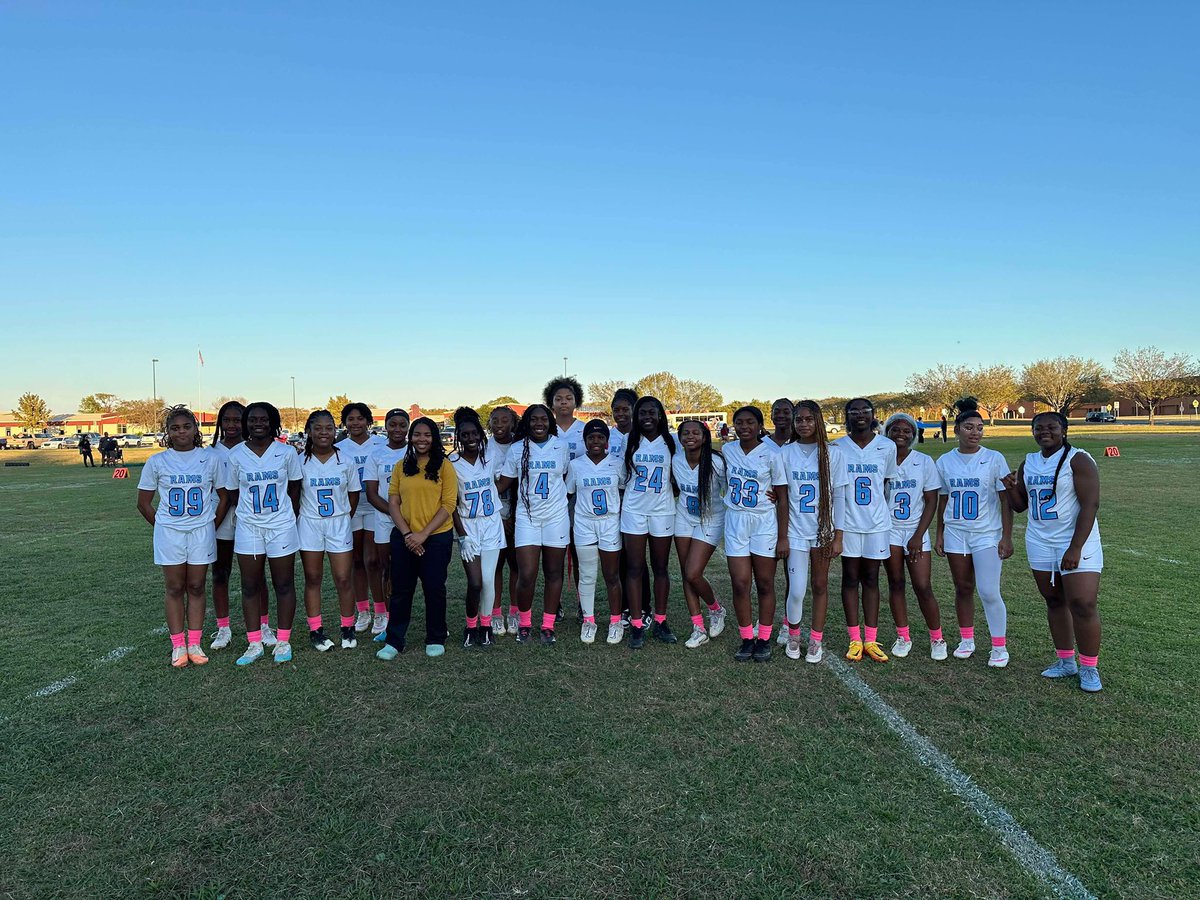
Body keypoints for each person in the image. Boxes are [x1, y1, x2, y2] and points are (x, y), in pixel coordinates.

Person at [1001, 412, 1104, 691]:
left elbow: (1090, 505)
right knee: (1054, 600)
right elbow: (1021, 505)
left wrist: (1075, 547)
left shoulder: (1078, 459)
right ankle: (1066, 661)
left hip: (1075, 541)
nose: (1044, 431)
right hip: (1040, 540)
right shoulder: (1030, 462)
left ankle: (1090, 668)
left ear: (1064, 429)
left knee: (1082, 603)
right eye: (1038, 428)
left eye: (1051, 427)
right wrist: (1011, 489)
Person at [136, 406, 227, 667]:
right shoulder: (157, 461)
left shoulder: (210, 459)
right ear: (168, 432)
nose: (181, 432)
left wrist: (211, 524)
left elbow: (224, 497)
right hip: (170, 532)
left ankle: (195, 642)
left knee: (197, 586)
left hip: (201, 531)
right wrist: (163, 527)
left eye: (186, 426)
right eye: (175, 428)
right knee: (175, 587)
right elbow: (143, 503)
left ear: (195, 428)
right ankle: (178, 645)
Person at [935, 398, 1014, 668]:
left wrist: (1006, 536)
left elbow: (1005, 500)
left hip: (986, 533)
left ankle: (999, 646)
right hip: (956, 532)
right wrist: (940, 533)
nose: (975, 432)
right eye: (969, 427)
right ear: (957, 429)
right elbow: (943, 500)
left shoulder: (994, 458)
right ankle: (967, 640)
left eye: (979, 428)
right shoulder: (945, 461)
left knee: (989, 591)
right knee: (963, 588)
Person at [224, 402, 303, 666]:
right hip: (249, 527)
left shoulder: (287, 452)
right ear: (246, 423)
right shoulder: (236, 455)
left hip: (281, 526)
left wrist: (282, 515)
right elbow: (234, 493)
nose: (259, 423)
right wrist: (251, 514)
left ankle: (283, 640)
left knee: (283, 584)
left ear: (273, 422)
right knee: (250, 585)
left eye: (264, 419)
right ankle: (254, 642)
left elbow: (294, 489)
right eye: (253, 419)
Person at [378, 417, 458, 658]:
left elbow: (449, 503)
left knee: (434, 587)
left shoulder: (444, 466)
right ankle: (394, 641)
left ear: (434, 438)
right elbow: (393, 502)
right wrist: (408, 534)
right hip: (405, 537)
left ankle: (436, 636)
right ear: (410, 438)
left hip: (436, 537)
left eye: (427, 435)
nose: (421, 439)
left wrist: (423, 534)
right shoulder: (401, 466)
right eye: (417, 435)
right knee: (401, 589)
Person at [778, 400, 847, 663]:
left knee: (820, 585)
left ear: (818, 421)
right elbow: (782, 496)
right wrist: (783, 535)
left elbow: (840, 496)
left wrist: (838, 535)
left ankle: (816, 640)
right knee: (796, 589)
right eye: (799, 419)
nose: (804, 424)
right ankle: (794, 635)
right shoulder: (785, 454)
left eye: (809, 419)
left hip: (823, 532)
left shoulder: (834, 453)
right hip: (796, 532)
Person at [495, 404, 570, 644]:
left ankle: (547, 625)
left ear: (550, 422)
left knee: (553, 572)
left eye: (544, 419)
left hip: (556, 517)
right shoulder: (517, 449)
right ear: (526, 423)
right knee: (526, 574)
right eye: (534, 419)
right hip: (527, 518)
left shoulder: (561, 446)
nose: (539, 423)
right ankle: (525, 623)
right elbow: (505, 483)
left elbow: (564, 479)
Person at [834, 399, 899, 663]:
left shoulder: (887, 446)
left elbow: (884, 482)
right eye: (854, 411)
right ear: (847, 416)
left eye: (865, 411)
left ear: (874, 415)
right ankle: (854, 639)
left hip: (876, 523)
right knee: (850, 578)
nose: (860, 415)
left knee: (871, 578)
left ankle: (871, 639)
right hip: (847, 523)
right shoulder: (837, 447)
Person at [722, 406, 789, 662]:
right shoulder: (728, 450)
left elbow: (782, 498)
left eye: (750, 422)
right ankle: (747, 637)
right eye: (739, 422)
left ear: (760, 425)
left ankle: (764, 638)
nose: (744, 427)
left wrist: (783, 537)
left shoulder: (773, 453)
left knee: (764, 583)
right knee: (739, 583)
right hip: (736, 520)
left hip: (763, 522)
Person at [297, 410, 362, 653]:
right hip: (310, 524)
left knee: (343, 578)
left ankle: (348, 627)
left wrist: (344, 517)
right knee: (313, 578)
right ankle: (316, 629)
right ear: (309, 431)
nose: (324, 432)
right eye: (318, 428)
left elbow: (353, 494)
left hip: (338, 523)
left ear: (335, 431)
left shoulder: (345, 460)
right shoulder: (299, 460)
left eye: (329, 428)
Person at [883, 412, 946, 660]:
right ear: (887, 432)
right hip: (889, 530)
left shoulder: (924, 461)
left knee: (922, 585)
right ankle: (903, 635)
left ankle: (937, 637)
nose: (901, 434)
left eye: (907, 430)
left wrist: (919, 535)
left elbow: (931, 501)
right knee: (895, 583)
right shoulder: (882, 459)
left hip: (914, 530)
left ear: (914, 434)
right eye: (895, 429)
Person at [621, 396, 678, 649]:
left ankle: (661, 620)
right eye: (642, 413)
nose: (647, 417)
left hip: (662, 511)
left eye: (651, 413)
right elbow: (622, 480)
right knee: (633, 568)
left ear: (660, 415)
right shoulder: (628, 441)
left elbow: (678, 478)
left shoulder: (672, 442)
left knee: (661, 568)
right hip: (633, 511)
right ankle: (635, 623)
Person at [566, 419, 626, 643]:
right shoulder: (576, 465)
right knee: (588, 574)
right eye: (591, 437)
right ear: (585, 440)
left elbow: (623, 489)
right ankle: (589, 620)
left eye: (600, 437)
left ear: (607, 441)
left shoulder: (617, 464)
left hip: (609, 522)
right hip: (584, 523)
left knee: (612, 575)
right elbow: (568, 492)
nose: (596, 441)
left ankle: (615, 621)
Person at [449, 408, 505, 648]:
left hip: (491, 523)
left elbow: (502, 481)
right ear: (458, 438)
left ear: (481, 435)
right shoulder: (450, 463)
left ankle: (486, 625)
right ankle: (470, 625)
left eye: (474, 434)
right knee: (475, 582)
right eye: (465, 435)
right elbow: (450, 504)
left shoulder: (491, 456)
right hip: (468, 527)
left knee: (489, 581)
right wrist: (462, 536)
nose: (470, 438)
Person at [670, 419, 727, 649]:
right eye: (685, 433)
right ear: (679, 437)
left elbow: (734, 487)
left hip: (711, 519)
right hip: (683, 516)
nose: (690, 436)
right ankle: (698, 627)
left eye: (695, 433)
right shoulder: (676, 460)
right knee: (686, 573)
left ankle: (715, 609)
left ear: (705, 437)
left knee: (694, 573)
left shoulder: (716, 463)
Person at [336, 403, 386, 634]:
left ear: (368, 421)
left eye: (359, 418)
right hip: (351, 506)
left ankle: (381, 610)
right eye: (350, 419)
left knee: (373, 560)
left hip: (376, 506)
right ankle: (362, 611)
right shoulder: (339, 447)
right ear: (344, 422)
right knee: (356, 560)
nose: (355, 423)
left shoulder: (380, 443)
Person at [362, 408, 410, 641]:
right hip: (384, 520)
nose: (397, 429)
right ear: (386, 426)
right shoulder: (376, 454)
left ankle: (429, 617)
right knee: (388, 570)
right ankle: (392, 621)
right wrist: (394, 514)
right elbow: (371, 493)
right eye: (393, 424)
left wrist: (407, 516)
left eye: (402, 424)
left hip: (414, 521)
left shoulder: (416, 450)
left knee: (417, 570)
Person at [608, 388, 651, 628]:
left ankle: (645, 607)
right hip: (613, 504)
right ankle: (626, 607)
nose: (621, 413)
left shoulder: (643, 436)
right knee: (620, 558)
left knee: (637, 560)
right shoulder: (607, 435)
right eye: (617, 409)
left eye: (626, 409)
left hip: (638, 504)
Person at [545, 376, 586, 621]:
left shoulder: (583, 429)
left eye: (568, 398)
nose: (563, 403)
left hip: (580, 497)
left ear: (576, 402)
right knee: (555, 551)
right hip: (552, 498)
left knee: (581, 550)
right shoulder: (544, 427)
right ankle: (556, 602)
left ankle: (584, 602)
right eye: (558, 399)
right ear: (551, 402)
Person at [208, 401, 245, 651]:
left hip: (248, 518)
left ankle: (263, 626)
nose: (231, 425)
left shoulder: (253, 449)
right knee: (220, 573)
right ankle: (223, 628)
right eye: (227, 420)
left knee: (253, 577)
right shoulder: (209, 453)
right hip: (219, 516)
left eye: (237, 420)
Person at [487, 406, 520, 636]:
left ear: (513, 423)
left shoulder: (520, 446)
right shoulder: (484, 448)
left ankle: (514, 611)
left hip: (520, 514)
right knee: (496, 566)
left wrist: (514, 515)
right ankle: (496, 612)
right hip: (493, 515)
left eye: (505, 420)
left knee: (517, 565)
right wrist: (501, 516)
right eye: (495, 420)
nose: (499, 424)